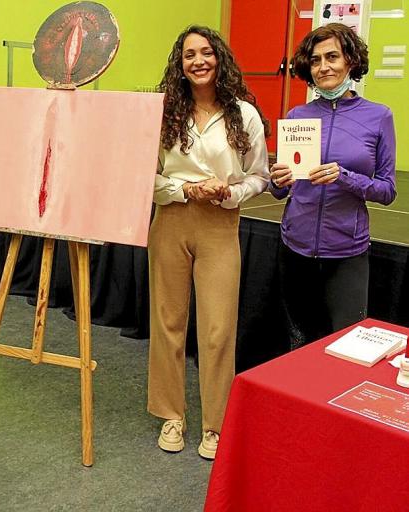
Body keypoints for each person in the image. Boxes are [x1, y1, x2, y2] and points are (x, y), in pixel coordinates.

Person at [148, 25, 269, 460]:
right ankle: (172, 416)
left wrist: (230, 193)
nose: (197, 61)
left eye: (205, 53)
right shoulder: (164, 113)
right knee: (168, 322)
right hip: (171, 221)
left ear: (219, 58)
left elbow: (260, 175)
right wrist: (184, 190)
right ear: (178, 65)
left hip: (221, 225)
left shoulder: (245, 114)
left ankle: (214, 425)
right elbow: (146, 175)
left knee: (218, 329)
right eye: (188, 55)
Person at [269, 23, 396, 348]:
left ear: (350, 61)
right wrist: (277, 180)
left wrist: (345, 176)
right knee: (300, 344)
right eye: (315, 60)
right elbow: (282, 190)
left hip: (347, 252)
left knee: (347, 346)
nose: (323, 66)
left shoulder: (378, 116)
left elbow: (387, 190)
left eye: (332, 57)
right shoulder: (298, 116)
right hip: (294, 247)